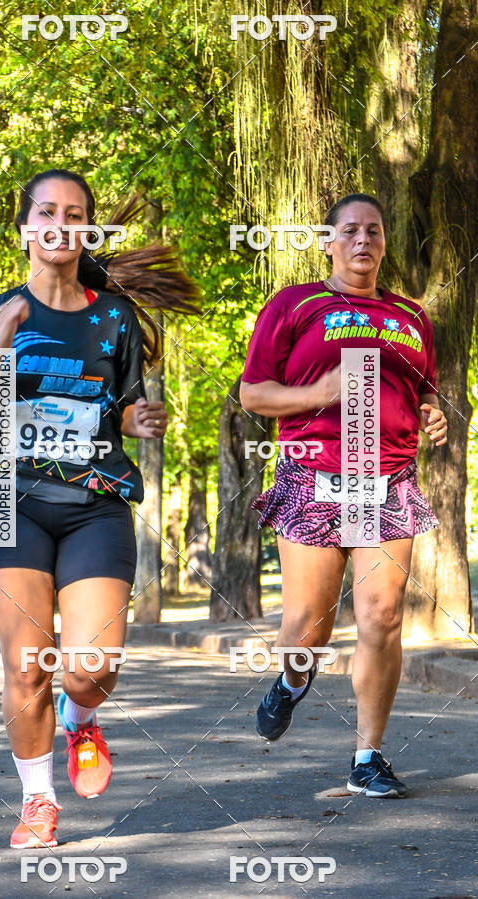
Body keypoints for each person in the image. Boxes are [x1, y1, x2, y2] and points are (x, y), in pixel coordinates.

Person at [0, 168, 199, 848]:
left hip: (94, 502)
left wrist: (143, 417)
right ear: (26, 227)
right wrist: (2, 333)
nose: (60, 222)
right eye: (47, 211)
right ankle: (37, 801)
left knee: (92, 667)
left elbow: (124, 405)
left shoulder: (112, 316)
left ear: (86, 227)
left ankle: (80, 715)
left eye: (75, 212)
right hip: (10, 500)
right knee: (28, 661)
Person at [240, 193, 448, 798]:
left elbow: (423, 392)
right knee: (309, 627)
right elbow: (255, 395)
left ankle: (368, 757)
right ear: (328, 241)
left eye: (375, 231)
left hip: (389, 480)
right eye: (350, 230)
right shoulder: (294, 305)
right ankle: (291, 679)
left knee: (382, 617)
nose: (364, 240)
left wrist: (431, 414)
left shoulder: (412, 318)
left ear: (384, 243)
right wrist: (320, 392)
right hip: (314, 475)